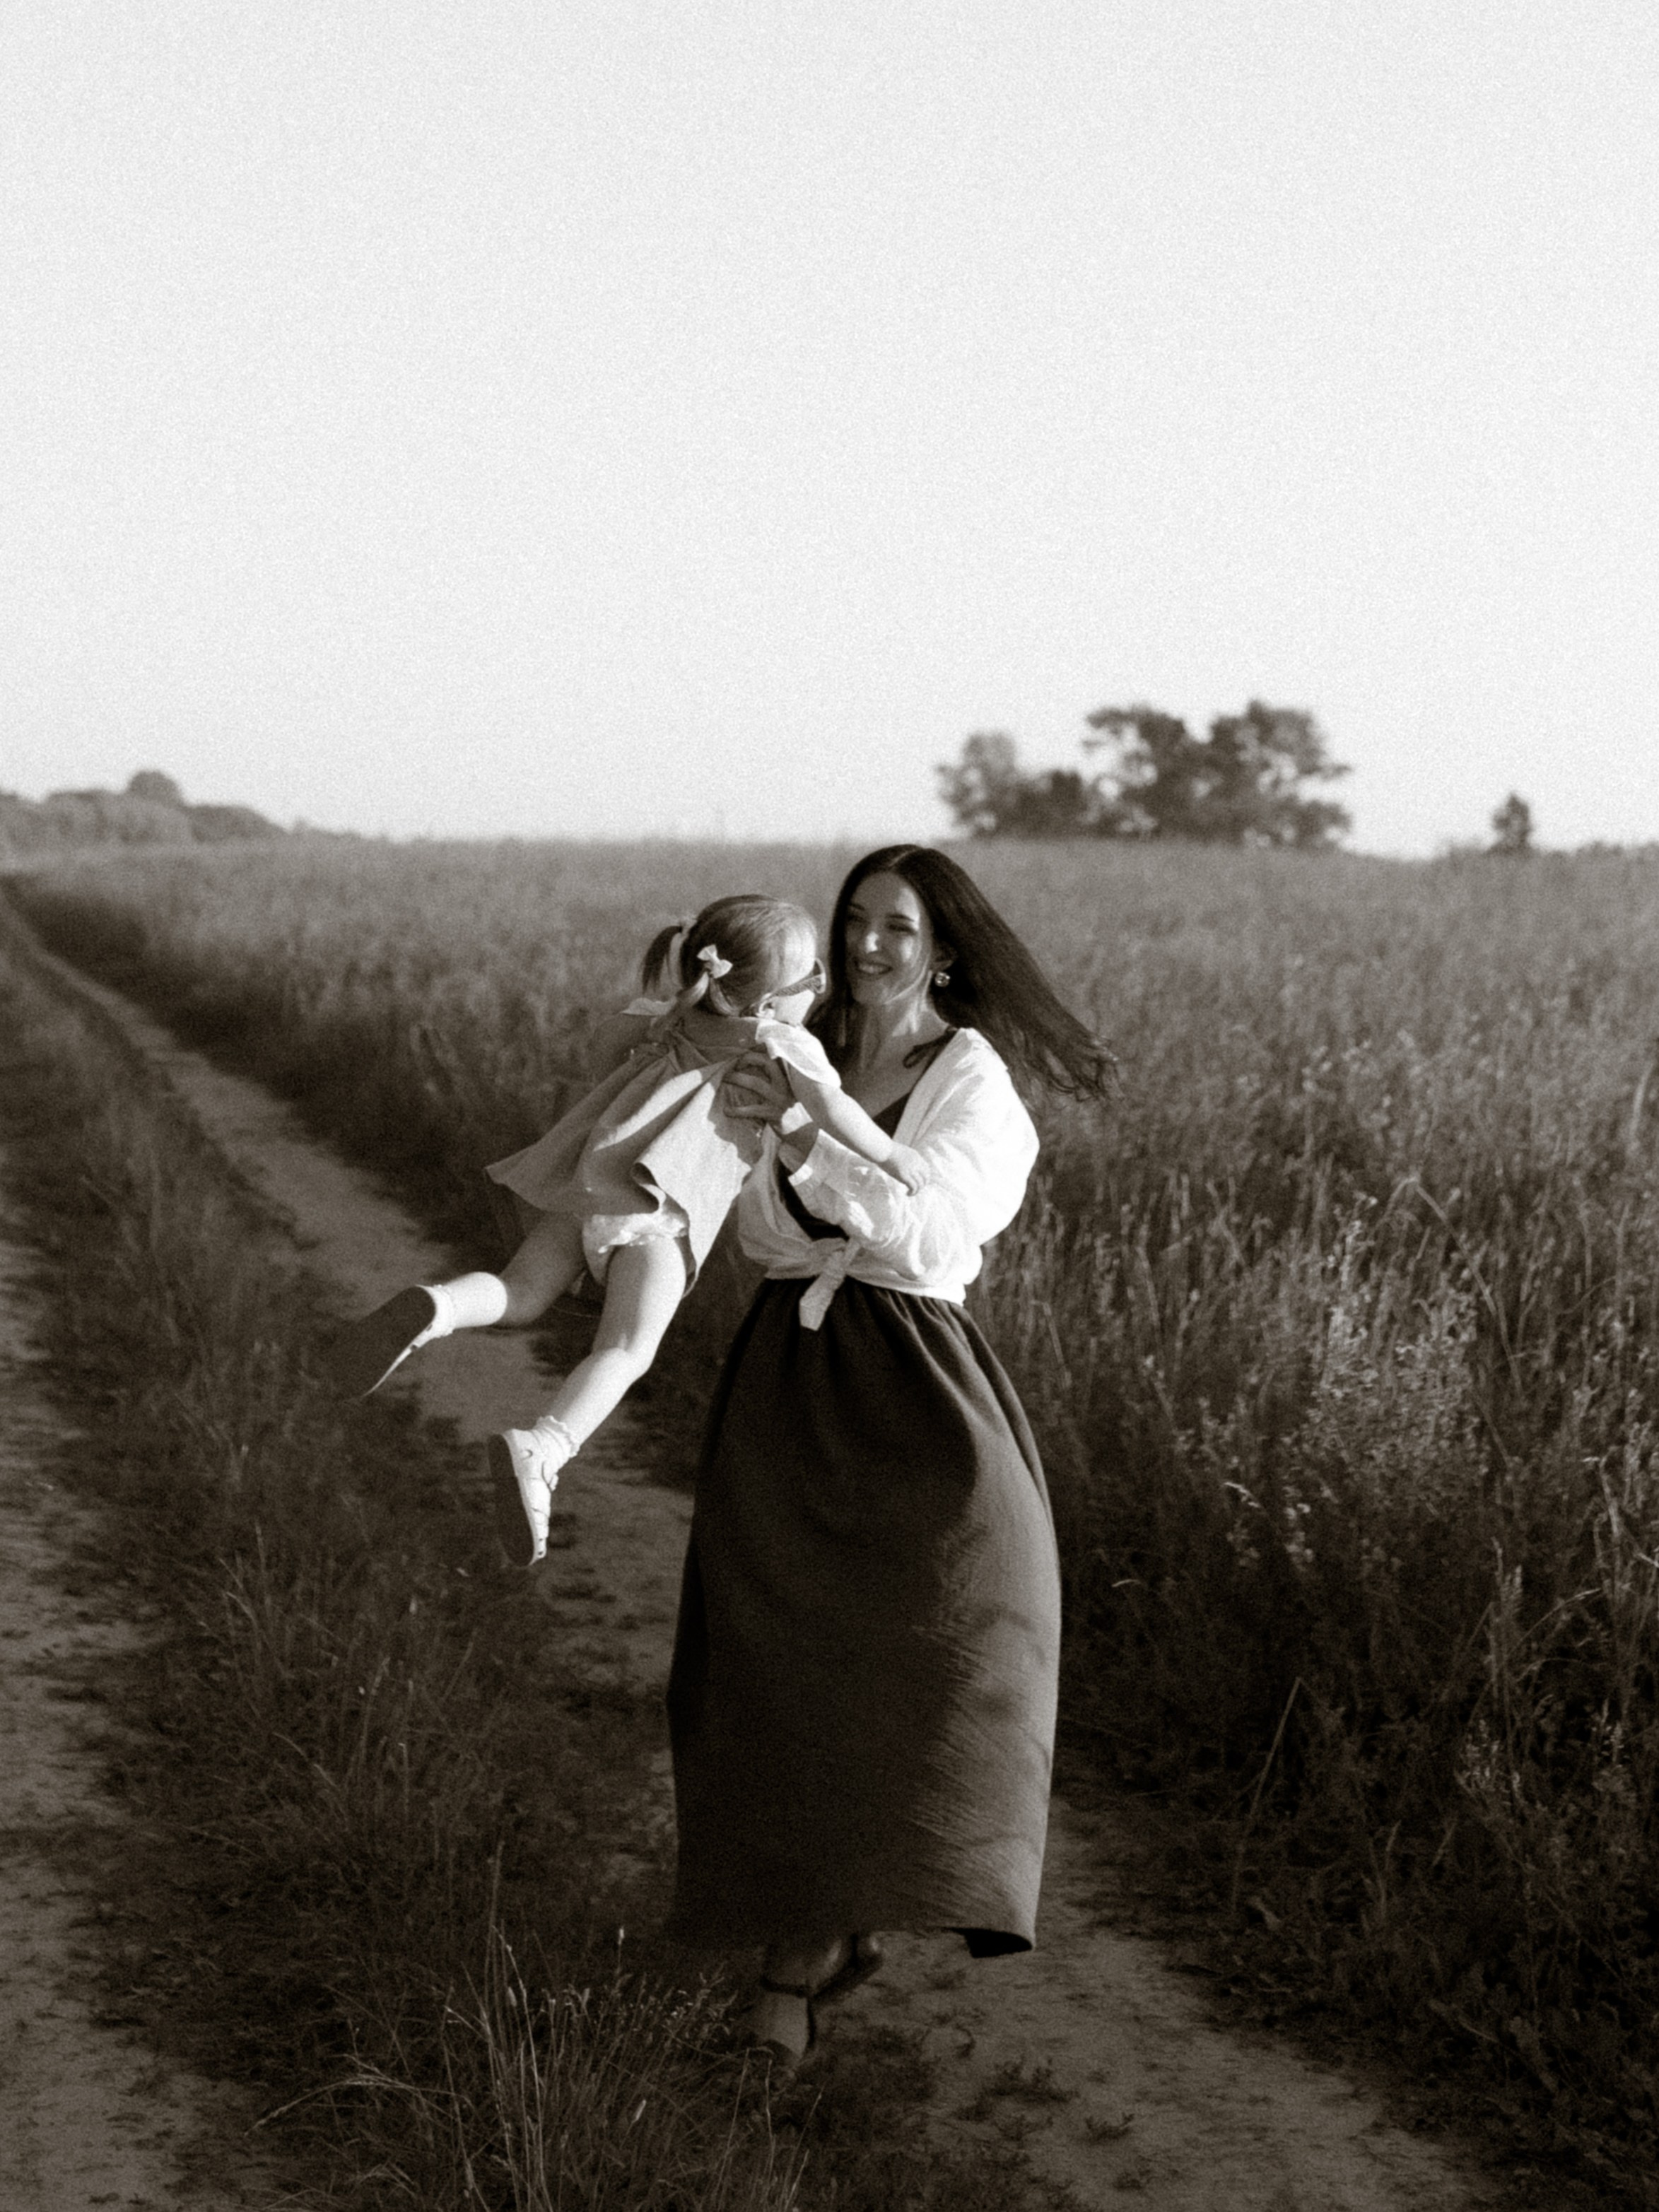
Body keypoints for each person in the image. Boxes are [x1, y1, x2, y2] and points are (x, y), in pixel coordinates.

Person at [664, 845, 1115, 2067]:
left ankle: (839, 1922)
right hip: (790, 1374)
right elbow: (762, 1237)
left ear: (946, 952)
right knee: (780, 1662)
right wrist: (760, 1128)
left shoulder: (970, 1077)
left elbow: (931, 1235)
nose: (867, 945)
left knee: (942, 1648)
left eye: (898, 928)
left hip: (917, 1383)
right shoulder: (803, 1047)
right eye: (854, 919)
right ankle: (800, 1943)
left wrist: (811, 1139)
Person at [327, 894, 927, 1565]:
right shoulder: (779, 1043)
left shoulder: (657, 1021)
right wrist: (894, 1155)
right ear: (766, 1000)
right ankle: (544, 1449)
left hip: (586, 1196)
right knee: (625, 1350)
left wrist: (678, 1006)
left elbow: (599, 1049)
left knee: (517, 1292)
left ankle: (437, 1308)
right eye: (811, 980)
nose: (818, 991)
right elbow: (833, 1107)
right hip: (658, 1217)